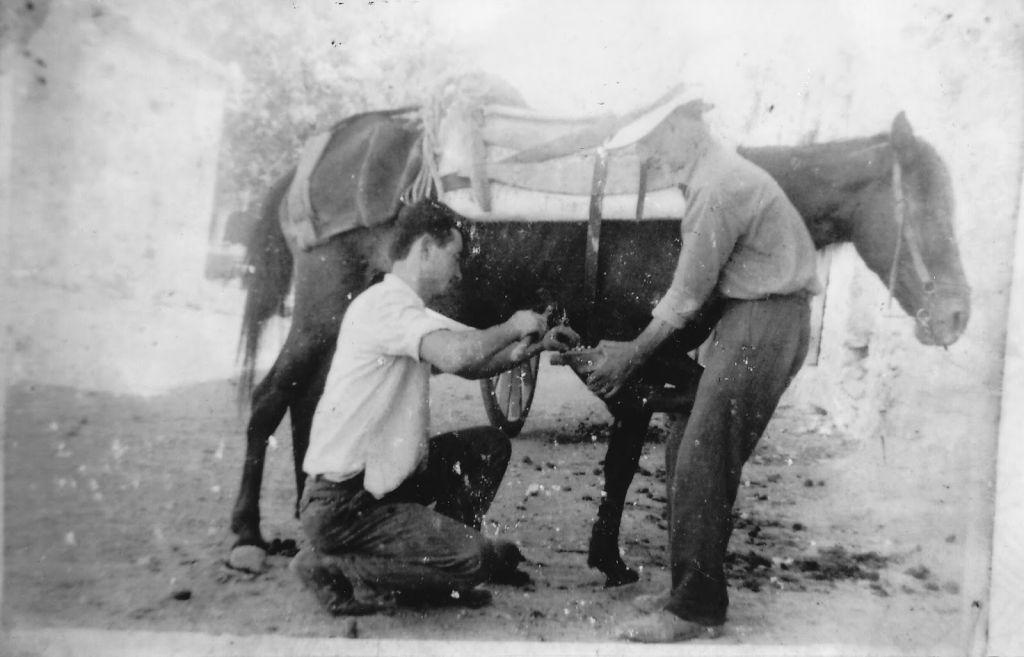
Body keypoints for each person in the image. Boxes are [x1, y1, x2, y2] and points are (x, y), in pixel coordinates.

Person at [586, 103, 822, 642]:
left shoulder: (717, 186)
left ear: (685, 127)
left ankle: (695, 608)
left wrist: (632, 353)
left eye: (656, 141)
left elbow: (688, 293)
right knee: (683, 447)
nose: (651, 155)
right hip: (751, 315)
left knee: (703, 458)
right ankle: (685, 588)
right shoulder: (710, 178)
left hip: (766, 320)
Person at [292, 198, 579, 615]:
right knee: (477, 561)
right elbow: (458, 356)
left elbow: (475, 361)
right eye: (455, 256)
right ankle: (335, 566)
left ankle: (443, 562)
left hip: (380, 485)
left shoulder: (411, 311)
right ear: (425, 248)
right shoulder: (384, 307)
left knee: (490, 445)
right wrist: (514, 325)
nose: (459, 272)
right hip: (345, 504)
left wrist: (532, 347)